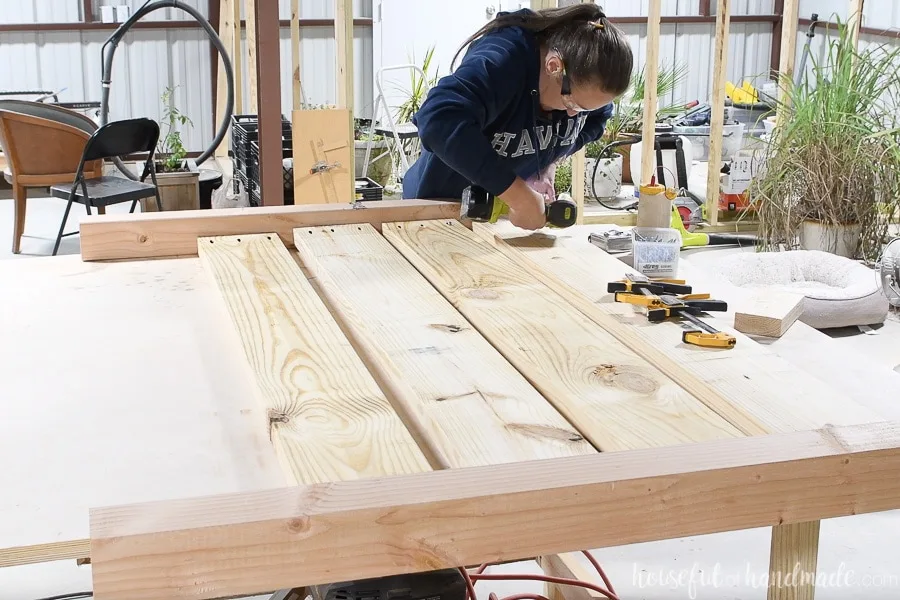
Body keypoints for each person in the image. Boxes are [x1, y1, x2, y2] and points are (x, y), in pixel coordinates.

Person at [401, 4, 633, 230]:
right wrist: (520, 197)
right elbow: (439, 118)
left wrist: (549, 159)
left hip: (498, 221)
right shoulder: (503, 61)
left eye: (585, 109)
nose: (573, 114)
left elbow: (595, 123)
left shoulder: (588, 90)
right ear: (554, 67)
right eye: (572, 103)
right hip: (438, 209)